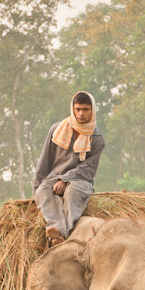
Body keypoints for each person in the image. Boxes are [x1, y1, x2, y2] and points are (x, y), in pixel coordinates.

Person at [33, 91, 105, 246]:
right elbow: (44, 160)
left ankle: (60, 234)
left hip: (80, 180)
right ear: (72, 109)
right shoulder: (57, 130)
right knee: (43, 190)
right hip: (53, 178)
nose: (81, 114)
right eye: (78, 109)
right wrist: (37, 190)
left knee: (72, 193)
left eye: (86, 109)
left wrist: (65, 180)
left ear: (93, 111)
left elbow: (88, 169)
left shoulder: (97, 137)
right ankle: (56, 227)